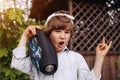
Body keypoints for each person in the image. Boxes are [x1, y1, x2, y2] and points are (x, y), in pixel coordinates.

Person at [11, 10, 112, 80]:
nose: (62, 36)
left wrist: (100, 57)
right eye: (57, 31)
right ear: (49, 34)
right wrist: (24, 36)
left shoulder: (76, 58)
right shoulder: (38, 57)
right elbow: (18, 63)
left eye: (67, 32)